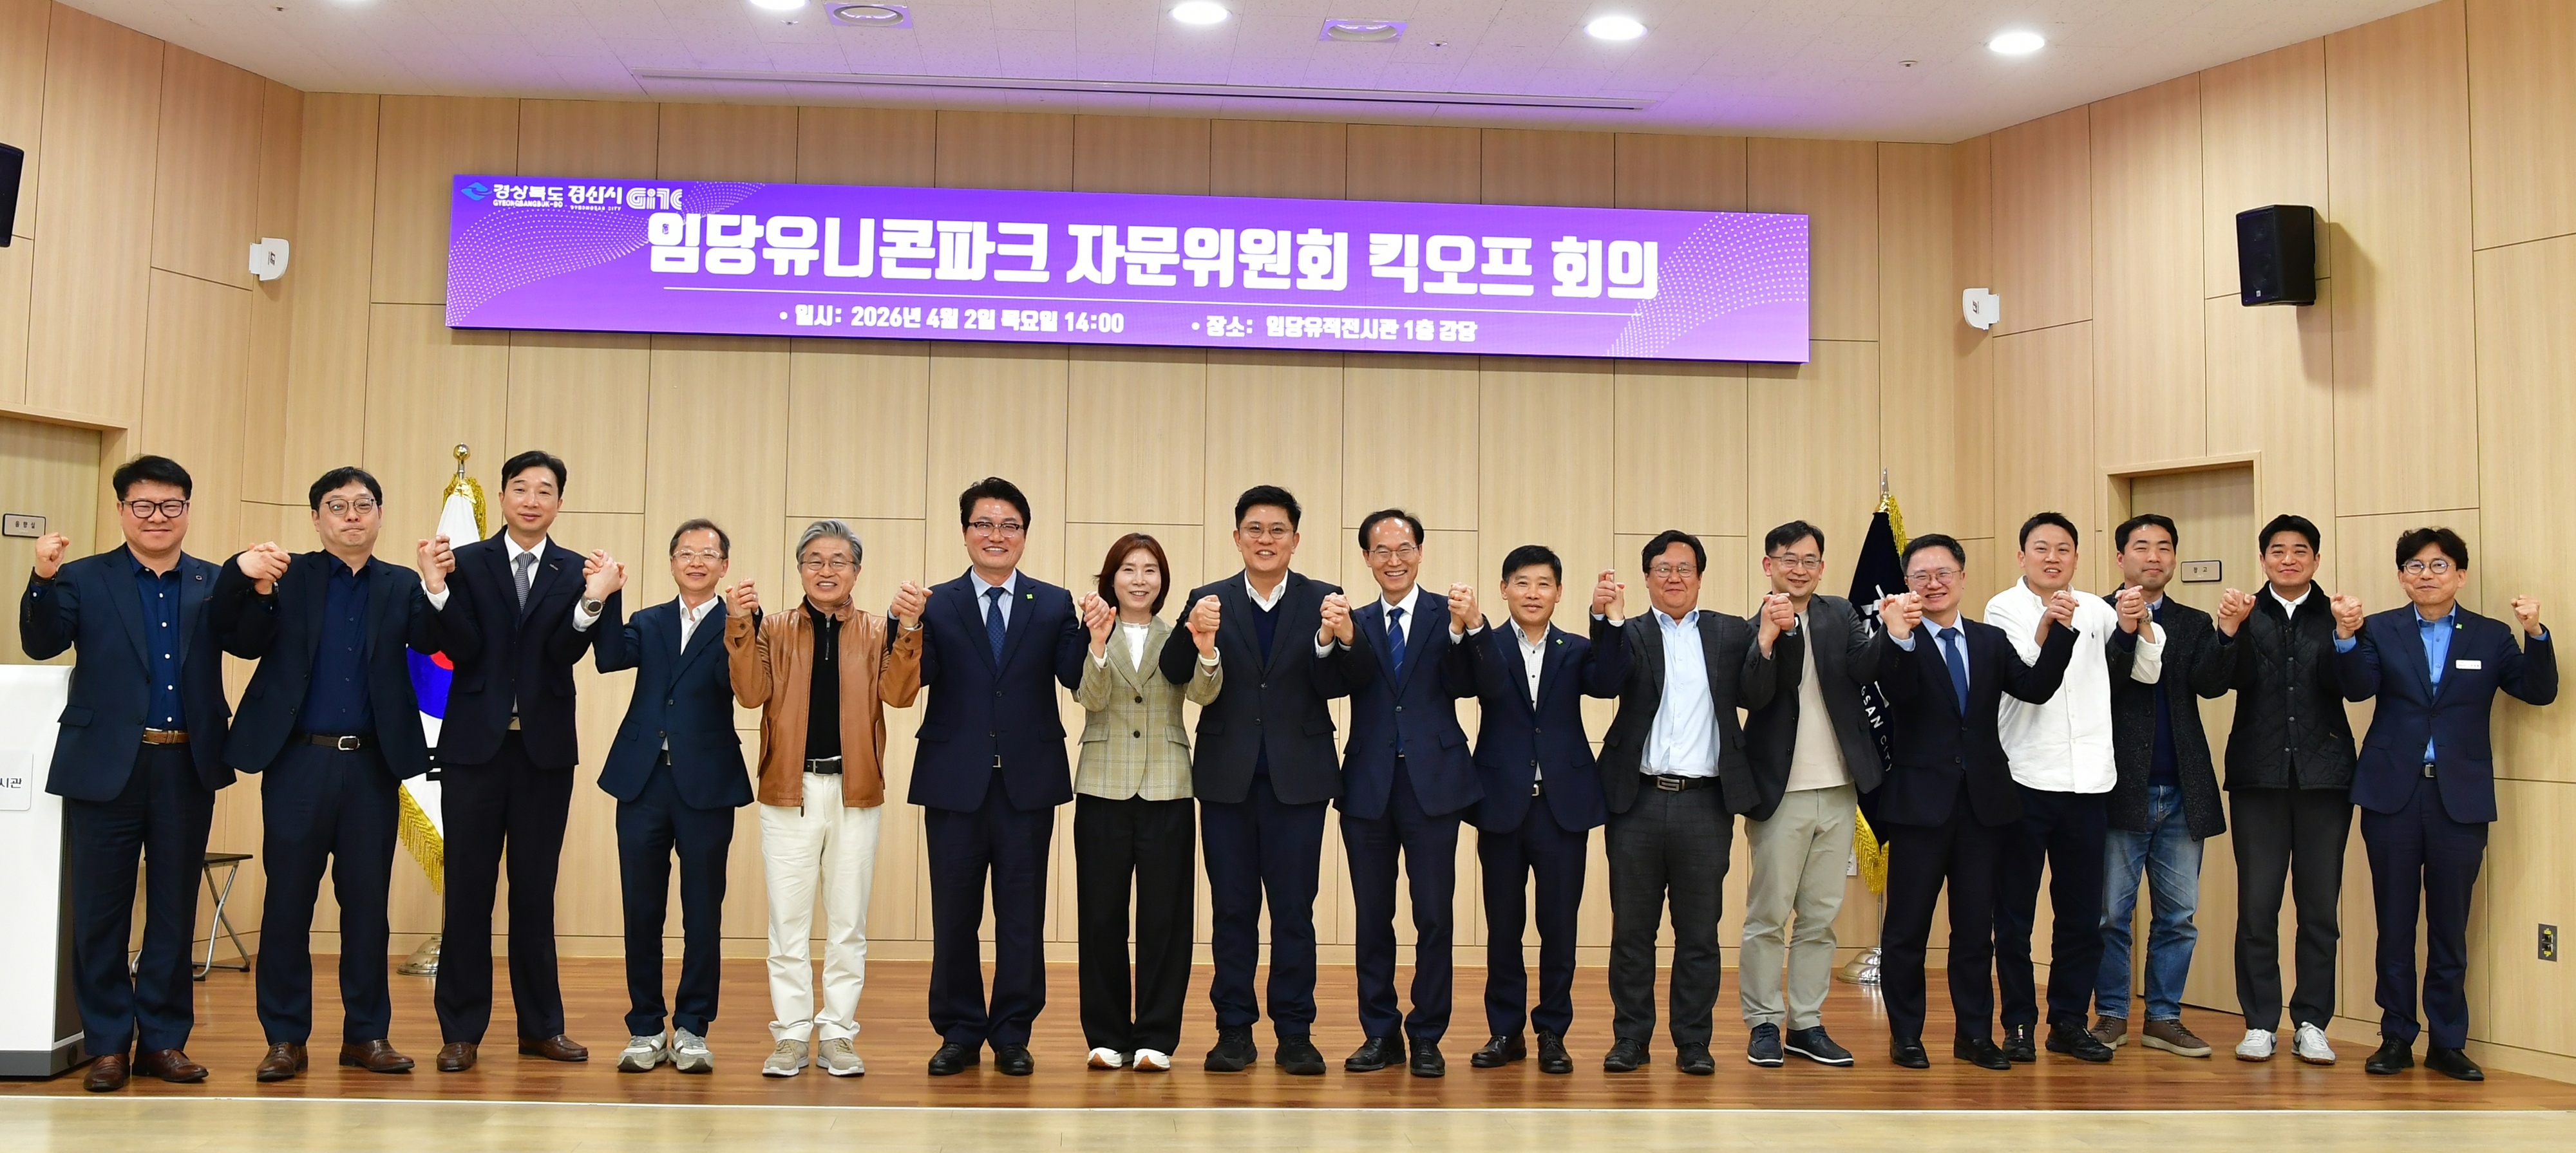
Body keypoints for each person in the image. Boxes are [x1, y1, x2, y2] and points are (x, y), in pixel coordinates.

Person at [19, 455, 238, 1092]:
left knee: (173, 909)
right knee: (101, 913)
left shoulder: (213, 581)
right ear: (121, 510)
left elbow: (251, 640)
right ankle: (109, 1044)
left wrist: (257, 588)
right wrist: (41, 577)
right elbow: (41, 642)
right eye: (143, 505)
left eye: (171, 505)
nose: (157, 517)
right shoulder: (82, 577)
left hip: (186, 764)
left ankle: (164, 1042)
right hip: (103, 765)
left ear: (187, 511)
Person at [214, 467, 439, 1083]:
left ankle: (366, 1034)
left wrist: (437, 585)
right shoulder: (289, 577)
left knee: (366, 907)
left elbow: (437, 640)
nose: (352, 516)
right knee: (288, 902)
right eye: (337, 506)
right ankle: (285, 1038)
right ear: (316, 518)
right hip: (298, 762)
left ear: (380, 514)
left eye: (364, 504)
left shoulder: (401, 583)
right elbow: (241, 639)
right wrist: (250, 581)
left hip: (371, 764)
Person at [417, 449, 626, 1072]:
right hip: (472, 752)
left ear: (560, 501)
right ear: (504, 497)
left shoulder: (581, 570)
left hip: (543, 754)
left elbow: (565, 650)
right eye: (521, 488)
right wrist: (435, 588)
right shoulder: (464, 561)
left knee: (535, 894)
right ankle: (461, 1031)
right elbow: (459, 646)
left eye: (545, 490)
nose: (532, 500)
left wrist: (593, 601)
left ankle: (541, 1028)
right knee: (468, 893)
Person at [1159, 485, 1372, 1075]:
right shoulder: (1208, 598)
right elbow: (1175, 672)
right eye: (1254, 529)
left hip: (1299, 781)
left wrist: (1340, 639)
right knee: (1232, 910)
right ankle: (1233, 1029)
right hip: (1226, 780)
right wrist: (1192, 631)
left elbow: (1349, 681)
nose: (1266, 539)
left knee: (1294, 912)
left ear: (1295, 540)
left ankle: (1295, 1032)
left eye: (1278, 530)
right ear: (1237, 538)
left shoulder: (1325, 599)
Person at [2335, 527, 2555, 1082]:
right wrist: (2345, 637)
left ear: (2460, 574)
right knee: (2394, 921)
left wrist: (2535, 632)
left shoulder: (2490, 635)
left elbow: (2538, 690)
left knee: (2450, 925)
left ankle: (2448, 1041)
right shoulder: (2379, 628)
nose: (2426, 574)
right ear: (2401, 576)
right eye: (2415, 565)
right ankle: (2395, 1035)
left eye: (2438, 565)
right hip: (2392, 793)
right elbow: (2357, 688)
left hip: (2460, 796)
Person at [726, 520, 925, 1078]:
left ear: (856, 571)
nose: (826, 570)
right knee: (787, 923)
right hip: (787, 791)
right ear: (800, 569)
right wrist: (739, 623)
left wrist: (910, 628)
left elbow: (900, 696)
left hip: (855, 790)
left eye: (839, 561)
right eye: (814, 560)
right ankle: (791, 1035)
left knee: (847, 923)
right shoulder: (772, 627)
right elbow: (750, 694)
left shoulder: (878, 630)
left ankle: (838, 1032)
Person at [1875, 534, 2076, 1071]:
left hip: (1984, 807)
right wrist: (1898, 636)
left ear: (1963, 578)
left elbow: (2034, 687)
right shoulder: (1897, 637)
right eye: (1921, 575)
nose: (1933, 583)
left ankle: (1974, 1035)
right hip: (1919, 807)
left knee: (1973, 931)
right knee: (1906, 930)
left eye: (1943, 572)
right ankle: (1906, 1035)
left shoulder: (1989, 640)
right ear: (1907, 584)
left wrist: (2059, 630)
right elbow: (1896, 692)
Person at [911, 479, 1085, 1077]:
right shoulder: (936, 603)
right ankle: (959, 1031)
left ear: (1024, 535)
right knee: (954, 915)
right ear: (965, 533)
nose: (996, 535)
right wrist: (904, 625)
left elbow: (1073, 677)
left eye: (1009, 524)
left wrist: (1097, 634)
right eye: (983, 523)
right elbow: (915, 677)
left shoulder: (1054, 603)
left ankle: (1013, 1032)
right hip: (953, 780)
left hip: (1026, 783)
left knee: (1021, 915)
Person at [1594, 529, 1783, 1075]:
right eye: (1663, 568)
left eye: (1684, 568)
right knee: (1632, 931)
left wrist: (1766, 641)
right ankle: (1630, 1038)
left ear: (1700, 577)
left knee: (1699, 933)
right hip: (1637, 801)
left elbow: (1756, 695)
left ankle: (1693, 1041)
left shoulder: (1729, 632)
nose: (1673, 577)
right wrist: (1607, 620)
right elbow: (1604, 681)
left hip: (1705, 803)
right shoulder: (1629, 631)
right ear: (1646, 577)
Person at [1984, 511, 2160, 1064]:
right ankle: (2018, 1023)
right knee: (2015, 914)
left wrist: (2134, 623)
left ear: (2077, 558)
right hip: (2026, 778)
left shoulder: (2098, 608)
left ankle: (2068, 1020)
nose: (2053, 558)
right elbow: (2028, 673)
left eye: (2064, 549)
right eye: (2041, 548)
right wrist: (2051, 622)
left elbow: (2145, 672)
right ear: (2022, 556)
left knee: (2082, 916)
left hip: (2090, 782)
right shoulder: (2002, 608)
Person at [1455, 545, 1627, 1075]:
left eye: (1544, 584)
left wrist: (1606, 618)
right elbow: (1467, 683)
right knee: (1504, 926)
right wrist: (1472, 627)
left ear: (1559, 592)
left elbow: (1609, 682)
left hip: (1562, 807)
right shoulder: (1486, 643)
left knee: (1559, 926)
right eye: (1523, 582)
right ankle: (1505, 1031)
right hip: (1501, 804)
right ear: (1504, 589)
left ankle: (1553, 1031)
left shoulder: (1575, 647)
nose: (1533, 593)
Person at [1736, 520, 1894, 1069]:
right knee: (1768, 915)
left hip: (1840, 788)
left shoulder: (1839, 614)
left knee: (1820, 917)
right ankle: (1763, 1021)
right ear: (1768, 565)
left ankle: (1805, 1022)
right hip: (1781, 792)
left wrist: (1889, 632)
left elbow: (1864, 668)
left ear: (1822, 567)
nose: (1800, 569)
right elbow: (1752, 695)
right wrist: (1766, 639)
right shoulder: (1748, 625)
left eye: (1810, 560)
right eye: (1789, 559)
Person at [593, 520, 750, 1074]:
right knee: (641, 909)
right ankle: (644, 1026)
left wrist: (742, 624)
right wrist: (607, 595)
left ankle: (692, 1027)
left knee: (703, 910)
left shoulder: (739, 622)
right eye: (686, 552)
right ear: (671, 562)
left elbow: (745, 688)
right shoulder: (649, 619)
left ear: (724, 566)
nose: (696, 561)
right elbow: (608, 657)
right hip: (643, 780)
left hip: (707, 781)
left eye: (708, 553)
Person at [1068, 534, 1221, 1073]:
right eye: (1129, 569)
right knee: (1101, 914)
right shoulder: (1091, 629)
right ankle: (1106, 1034)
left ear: (1163, 580)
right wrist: (1097, 644)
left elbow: (1203, 694)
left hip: (1168, 785)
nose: (1139, 579)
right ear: (1111, 578)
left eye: (1150, 569)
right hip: (1101, 785)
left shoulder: (1178, 633)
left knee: (1166, 917)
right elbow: (1090, 698)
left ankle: (1157, 1035)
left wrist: (1206, 649)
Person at [1337, 509, 1480, 1078]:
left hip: (1433, 785)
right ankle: (1380, 1032)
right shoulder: (1354, 620)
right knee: (1373, 916)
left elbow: (1470, 683)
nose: (1393, 560)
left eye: (1404, 548)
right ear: (1367, 558)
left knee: (1434, 915)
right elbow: (1331, 684)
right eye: (1381, 550)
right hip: (1368, 784)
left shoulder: (1450, 615)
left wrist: (1468, 630)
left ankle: (1426, 1034)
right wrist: (1329, 641)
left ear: (1420, 552)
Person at [2210, 514, 2354, 1065]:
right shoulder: (2246, 611)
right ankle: (2260, 1022)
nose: (2288, 559)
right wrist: (2228, 630)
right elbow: (2214, 682)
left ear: (2316, 559)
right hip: (2258, 777)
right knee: (2257, 907)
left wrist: (2347, 636)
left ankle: (2312, 1021)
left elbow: (2356, 687)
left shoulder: (2335, 613)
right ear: (2263, 559)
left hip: (2325, 779)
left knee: (2319, 909)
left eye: (2299, 551)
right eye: (2277, 550)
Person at [2090, 514, 2234, 1059]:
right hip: (2117, 787)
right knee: (2111, 915)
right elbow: (2104, 681)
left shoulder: (2192, 621)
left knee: (2178, 915)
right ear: (2121, 557)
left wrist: (2227, 634)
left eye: (2165, 547)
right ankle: (2110, 1013)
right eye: (2142, 546)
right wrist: (2127, 628)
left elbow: (2211, 684)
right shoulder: (2096, 614)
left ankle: (2164, 1017)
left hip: (2182, 789)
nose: (2154, 556)